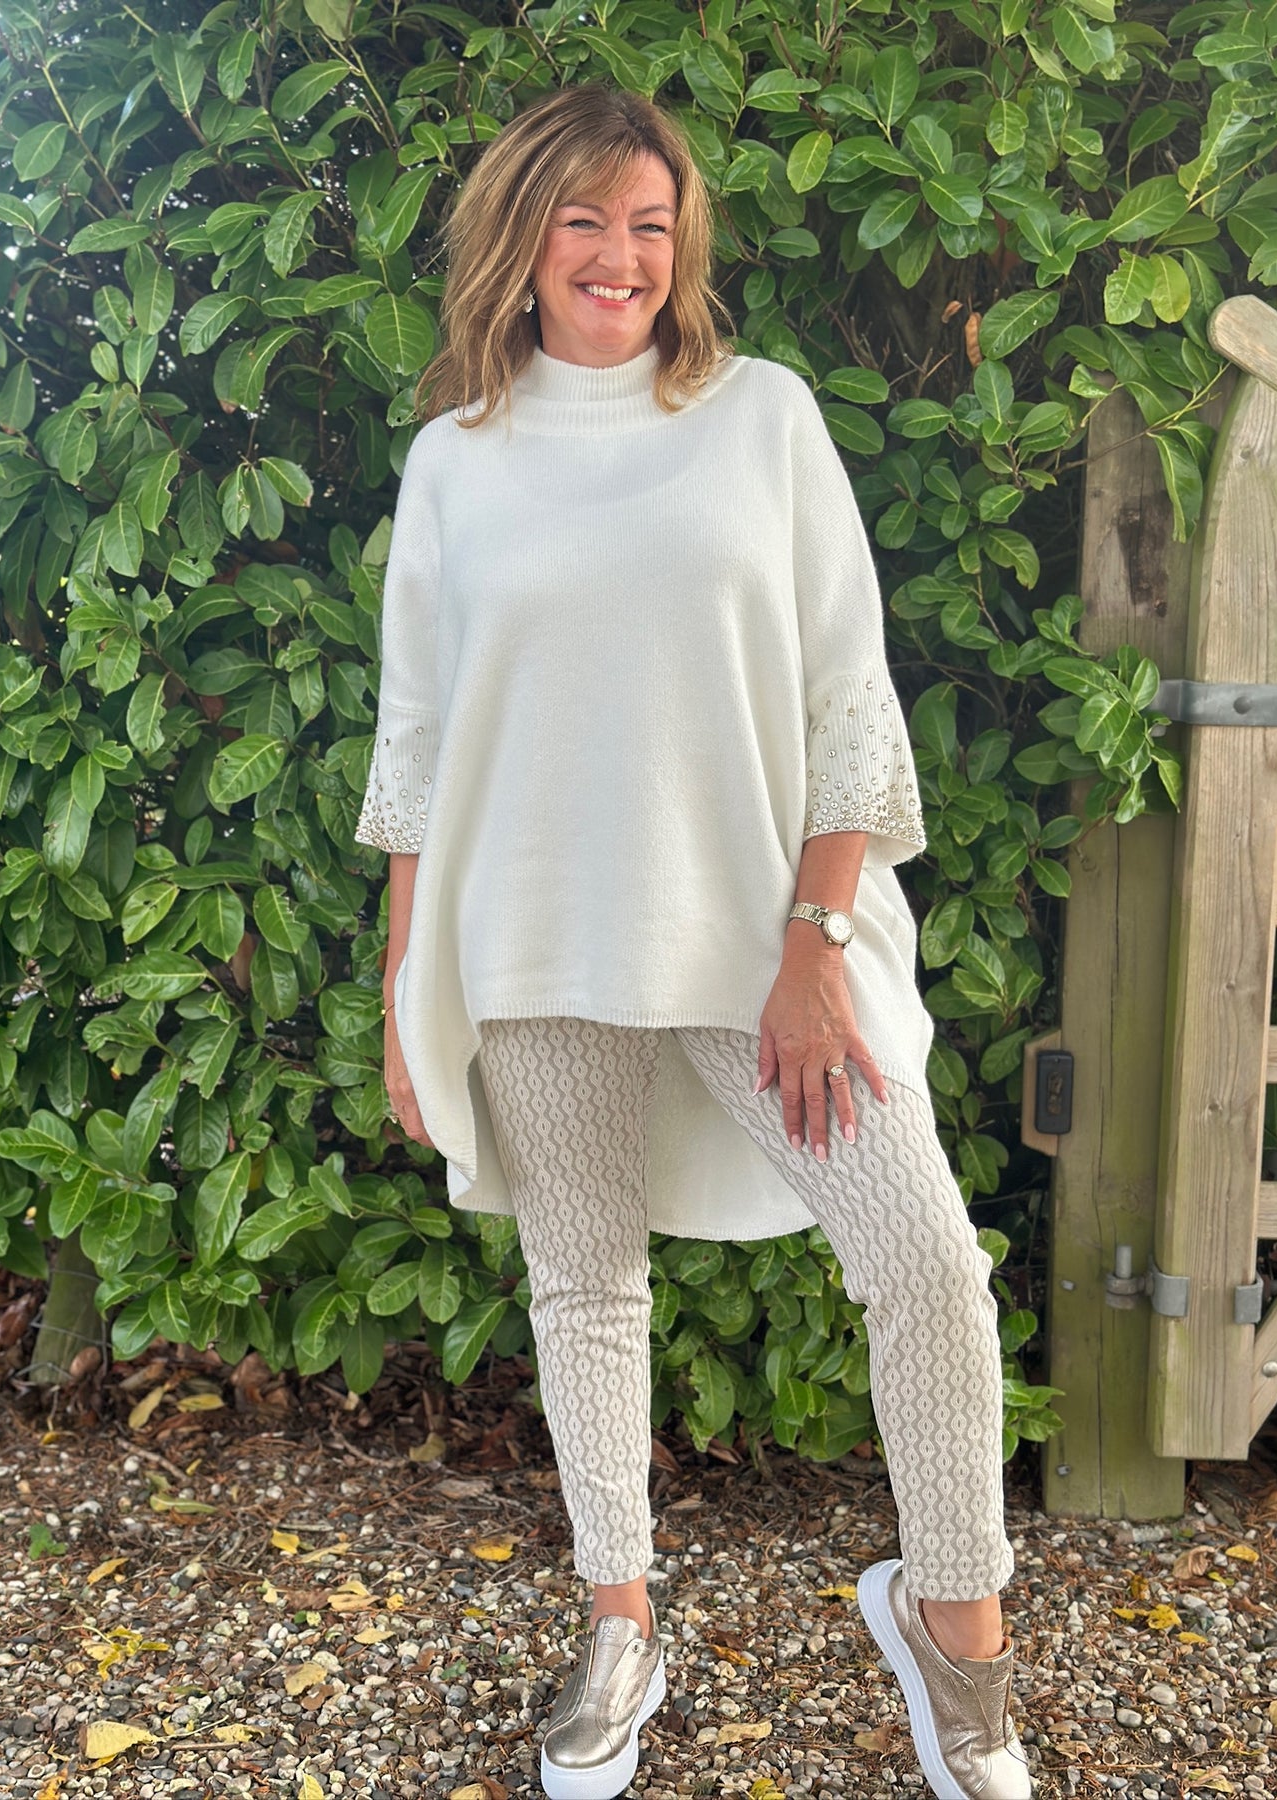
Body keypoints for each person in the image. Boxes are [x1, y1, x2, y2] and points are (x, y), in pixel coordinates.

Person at [356, 80, 1032, 1800]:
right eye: (584, 220)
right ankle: (619, 1625)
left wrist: (815, 944)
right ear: (521, 241)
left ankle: (955, 1638)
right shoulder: (455, 462)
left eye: (650, 225)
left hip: (758, 938)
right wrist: (405, 992)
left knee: (926, 1263)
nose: (620, 255)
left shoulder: (760, 419)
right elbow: (416, 748)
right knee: (583, 1284)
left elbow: (847, 698)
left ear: (683, 246)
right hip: (527, 940)